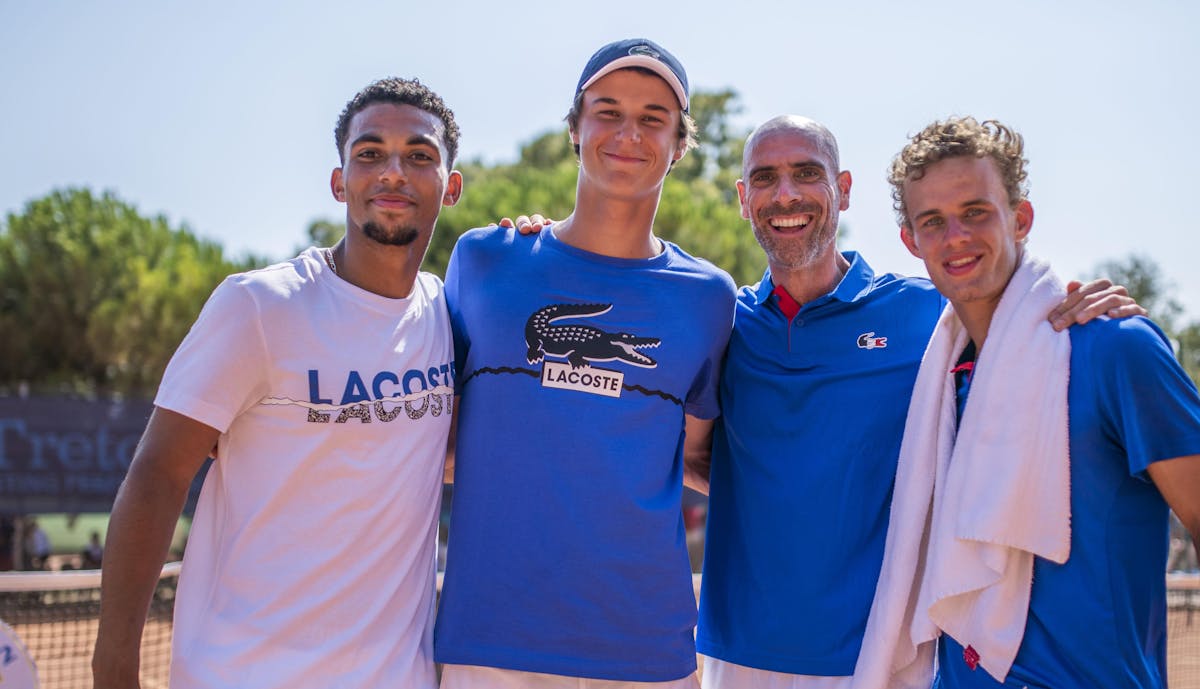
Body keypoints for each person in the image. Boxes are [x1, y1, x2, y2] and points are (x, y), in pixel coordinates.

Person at [514, 114, 1139, 689]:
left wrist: (1080, 300)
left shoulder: (927, 312)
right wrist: (542, 247)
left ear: (842, 188)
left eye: (806, 174)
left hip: (885, 655)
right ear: (742, 199)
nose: (786, 195)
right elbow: (671, 444)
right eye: (765, 178)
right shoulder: (718, 321)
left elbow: (1021, 319)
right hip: (737, 655)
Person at [92, 77, 463, 689]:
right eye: (369, 153)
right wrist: (113, 668)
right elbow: (157, 475)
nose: (393, 171)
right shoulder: (259, 307)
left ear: (449, 187)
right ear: (340, 180)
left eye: (418, 156)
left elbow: (450, 455)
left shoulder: (447, 315)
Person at [854, 116, 1200, 689]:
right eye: (933, 222)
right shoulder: (933, 383)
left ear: (1021, 218)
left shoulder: (1116, 350)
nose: (956, 237)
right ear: (911, 241)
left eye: (976, 212)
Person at [435, 38, 737, 688]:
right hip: (490, 642)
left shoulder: (710, 298)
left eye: (654, 117)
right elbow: (434, 436)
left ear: (681, 143)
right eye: (608, 111)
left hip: (647, 654)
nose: (630, 133)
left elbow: (693, 456)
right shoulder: (486, 260)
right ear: (574, 128)